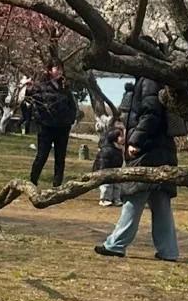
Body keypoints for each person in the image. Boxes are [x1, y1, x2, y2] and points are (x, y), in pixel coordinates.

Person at [95, 78, 179, 261]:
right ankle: (169, 250)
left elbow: (151, 114)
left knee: (134, 197)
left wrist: (135, 141)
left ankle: (116, 244)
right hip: (163, 151)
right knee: (160, 201)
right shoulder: (157, 78)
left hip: (148, 151)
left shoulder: (149, 80)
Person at [26, 59, 78, 185]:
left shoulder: (65, 86)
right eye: (56, 68)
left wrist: (70, 119)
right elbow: (31, 99)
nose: (60, 71)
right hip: (46, 127)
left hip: (63, 127)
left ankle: (57, 184)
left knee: (60, 158)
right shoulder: (41, 86)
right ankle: (33, 181)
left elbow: (72, 105)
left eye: (61, 68)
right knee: (42, 156)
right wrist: (28, 88)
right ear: (49, 70)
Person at [95, 115, 126, 205]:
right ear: (114, 138)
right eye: (120, 136)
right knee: (107, 185)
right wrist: (102, 172)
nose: (123, 138)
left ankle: (116, 199)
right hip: (106, 171)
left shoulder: (119, 148)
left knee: (117, 185)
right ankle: (104, 199)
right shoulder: (107, 150)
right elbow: (102, 162)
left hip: (116, 170)